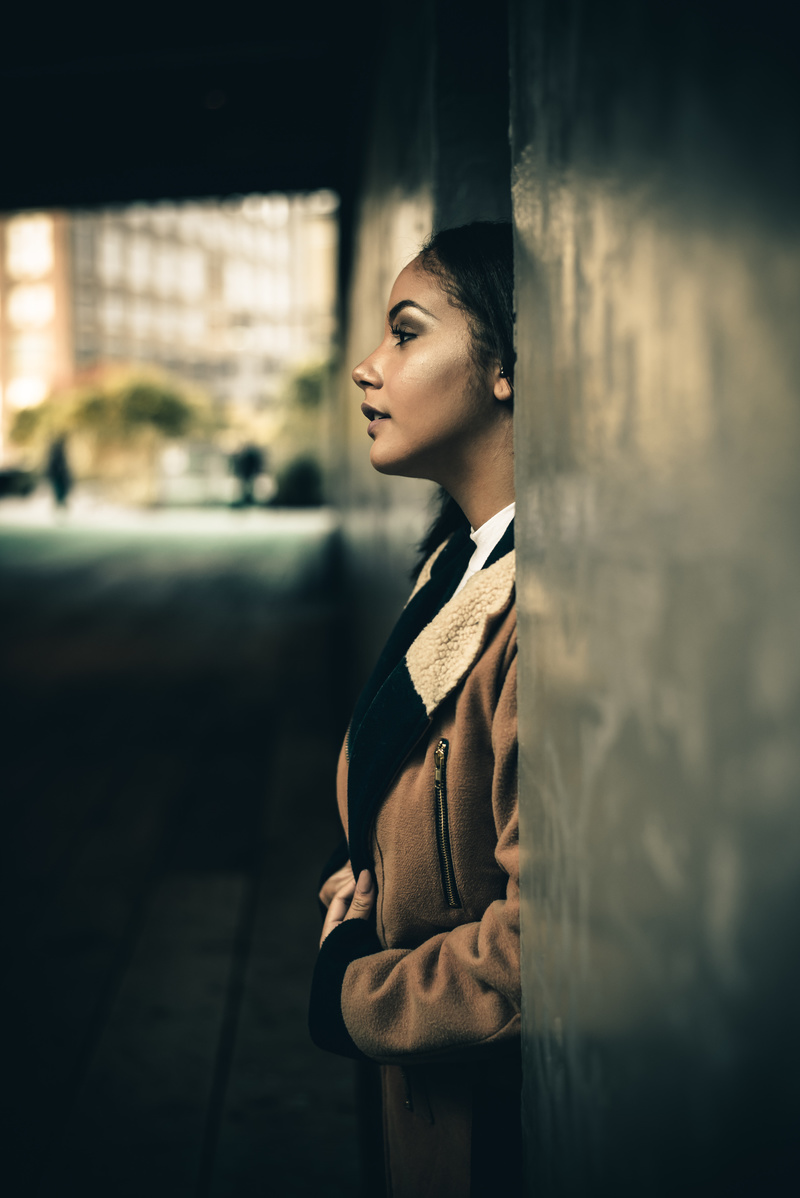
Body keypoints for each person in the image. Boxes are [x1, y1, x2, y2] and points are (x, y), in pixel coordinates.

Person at [309, 223, 520, 1197]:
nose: (366, 368)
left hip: (501, 1138)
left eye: (404, 333)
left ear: (506, 366)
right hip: (429, 1122)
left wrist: (356, 989)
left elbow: (548, 948)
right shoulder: (452, 567)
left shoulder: (539, 613)